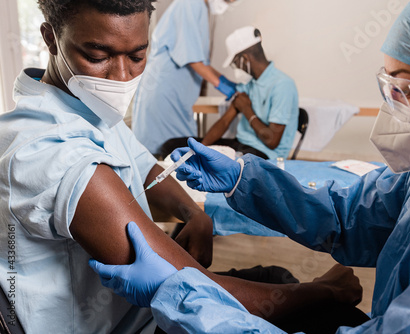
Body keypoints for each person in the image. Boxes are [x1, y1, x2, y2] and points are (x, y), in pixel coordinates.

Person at [91, 0, 410, 332]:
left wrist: (184, 296)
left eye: (406, 87)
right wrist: (241, 179)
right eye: (387, 86)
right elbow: (350, 215)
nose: (392, 106)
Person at [0, 1, 366, 333]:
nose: (122, 77)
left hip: (137, 311)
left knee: (276, 278)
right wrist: (324, 292)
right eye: (98, 55)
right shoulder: (51, 154)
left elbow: (145, 168)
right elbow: (194, 288)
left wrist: (194, 213)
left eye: (138, 56)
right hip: (126, 325)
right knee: (322, 312)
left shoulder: (86, 107)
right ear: (51, 38)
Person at [160, 26, 299, 160]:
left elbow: (272, 141)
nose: (236, 68)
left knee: (217, 165)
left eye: (235, 63)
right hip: (239, 145)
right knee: (171, 146)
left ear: (245, 59)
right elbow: (225, 121)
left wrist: (246, 109)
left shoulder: (282, 86)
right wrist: (200, 148)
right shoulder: (249, 84)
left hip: (264, 155)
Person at [132, 0, 238, 156]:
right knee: (166, 153)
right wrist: (223, 86)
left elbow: (202, 62)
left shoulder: (200, 8)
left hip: (177, 97)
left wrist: (228, 83)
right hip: (164, 93)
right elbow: (193, 60)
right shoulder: (190, 3)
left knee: (180, 151)